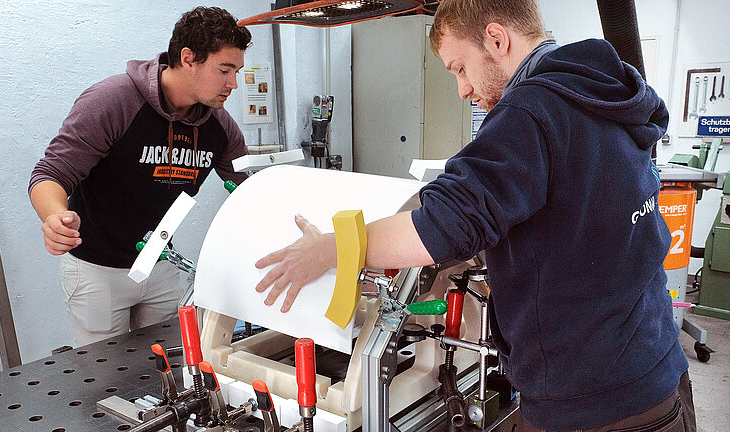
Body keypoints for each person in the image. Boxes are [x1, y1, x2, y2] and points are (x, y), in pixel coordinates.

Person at [254, 0, 696, 431]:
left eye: (460, 68)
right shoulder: (600, 93)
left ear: (497, 38)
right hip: (658, 371)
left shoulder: (532, 109)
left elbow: (446, 223)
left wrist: (330, 249)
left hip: (589, 404)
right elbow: (575, 218)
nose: (463, 89)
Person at [29, 7, 251, 346]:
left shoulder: (219, 125)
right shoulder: (113, 102)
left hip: (159, 264)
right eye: (224, 70)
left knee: (170, 370)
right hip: (97, 270)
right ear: (188, 58)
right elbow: (50, 174)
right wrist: (55, 217)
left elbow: (248, 189)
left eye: (236, 71)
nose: (233, 83)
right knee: (105, 381)